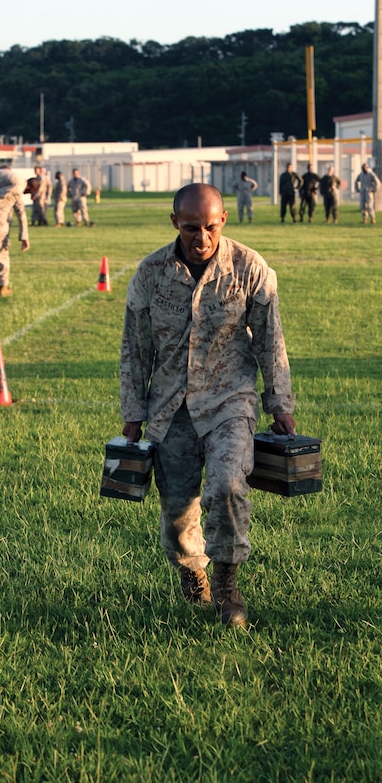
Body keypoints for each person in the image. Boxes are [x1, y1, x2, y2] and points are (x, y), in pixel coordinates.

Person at [120, 183, 296, 627]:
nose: (202, 238)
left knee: (227, 484)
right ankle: (191, 572)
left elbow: (271, 341)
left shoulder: (249, 268)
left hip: (228, 400)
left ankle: (226, 583)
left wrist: (280, 403)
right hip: (170, 408)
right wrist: (132, 416)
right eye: (192, 227)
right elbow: (136, 350)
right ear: (174, 221)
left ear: (223, 221)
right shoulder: (150, 274)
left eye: (210, 227)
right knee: (178, 510)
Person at [0, 174, 39, 301]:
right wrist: (24, 237)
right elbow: (21, 214)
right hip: (1, 227)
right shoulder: (16, 192)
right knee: (2, 257)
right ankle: (3, 287)